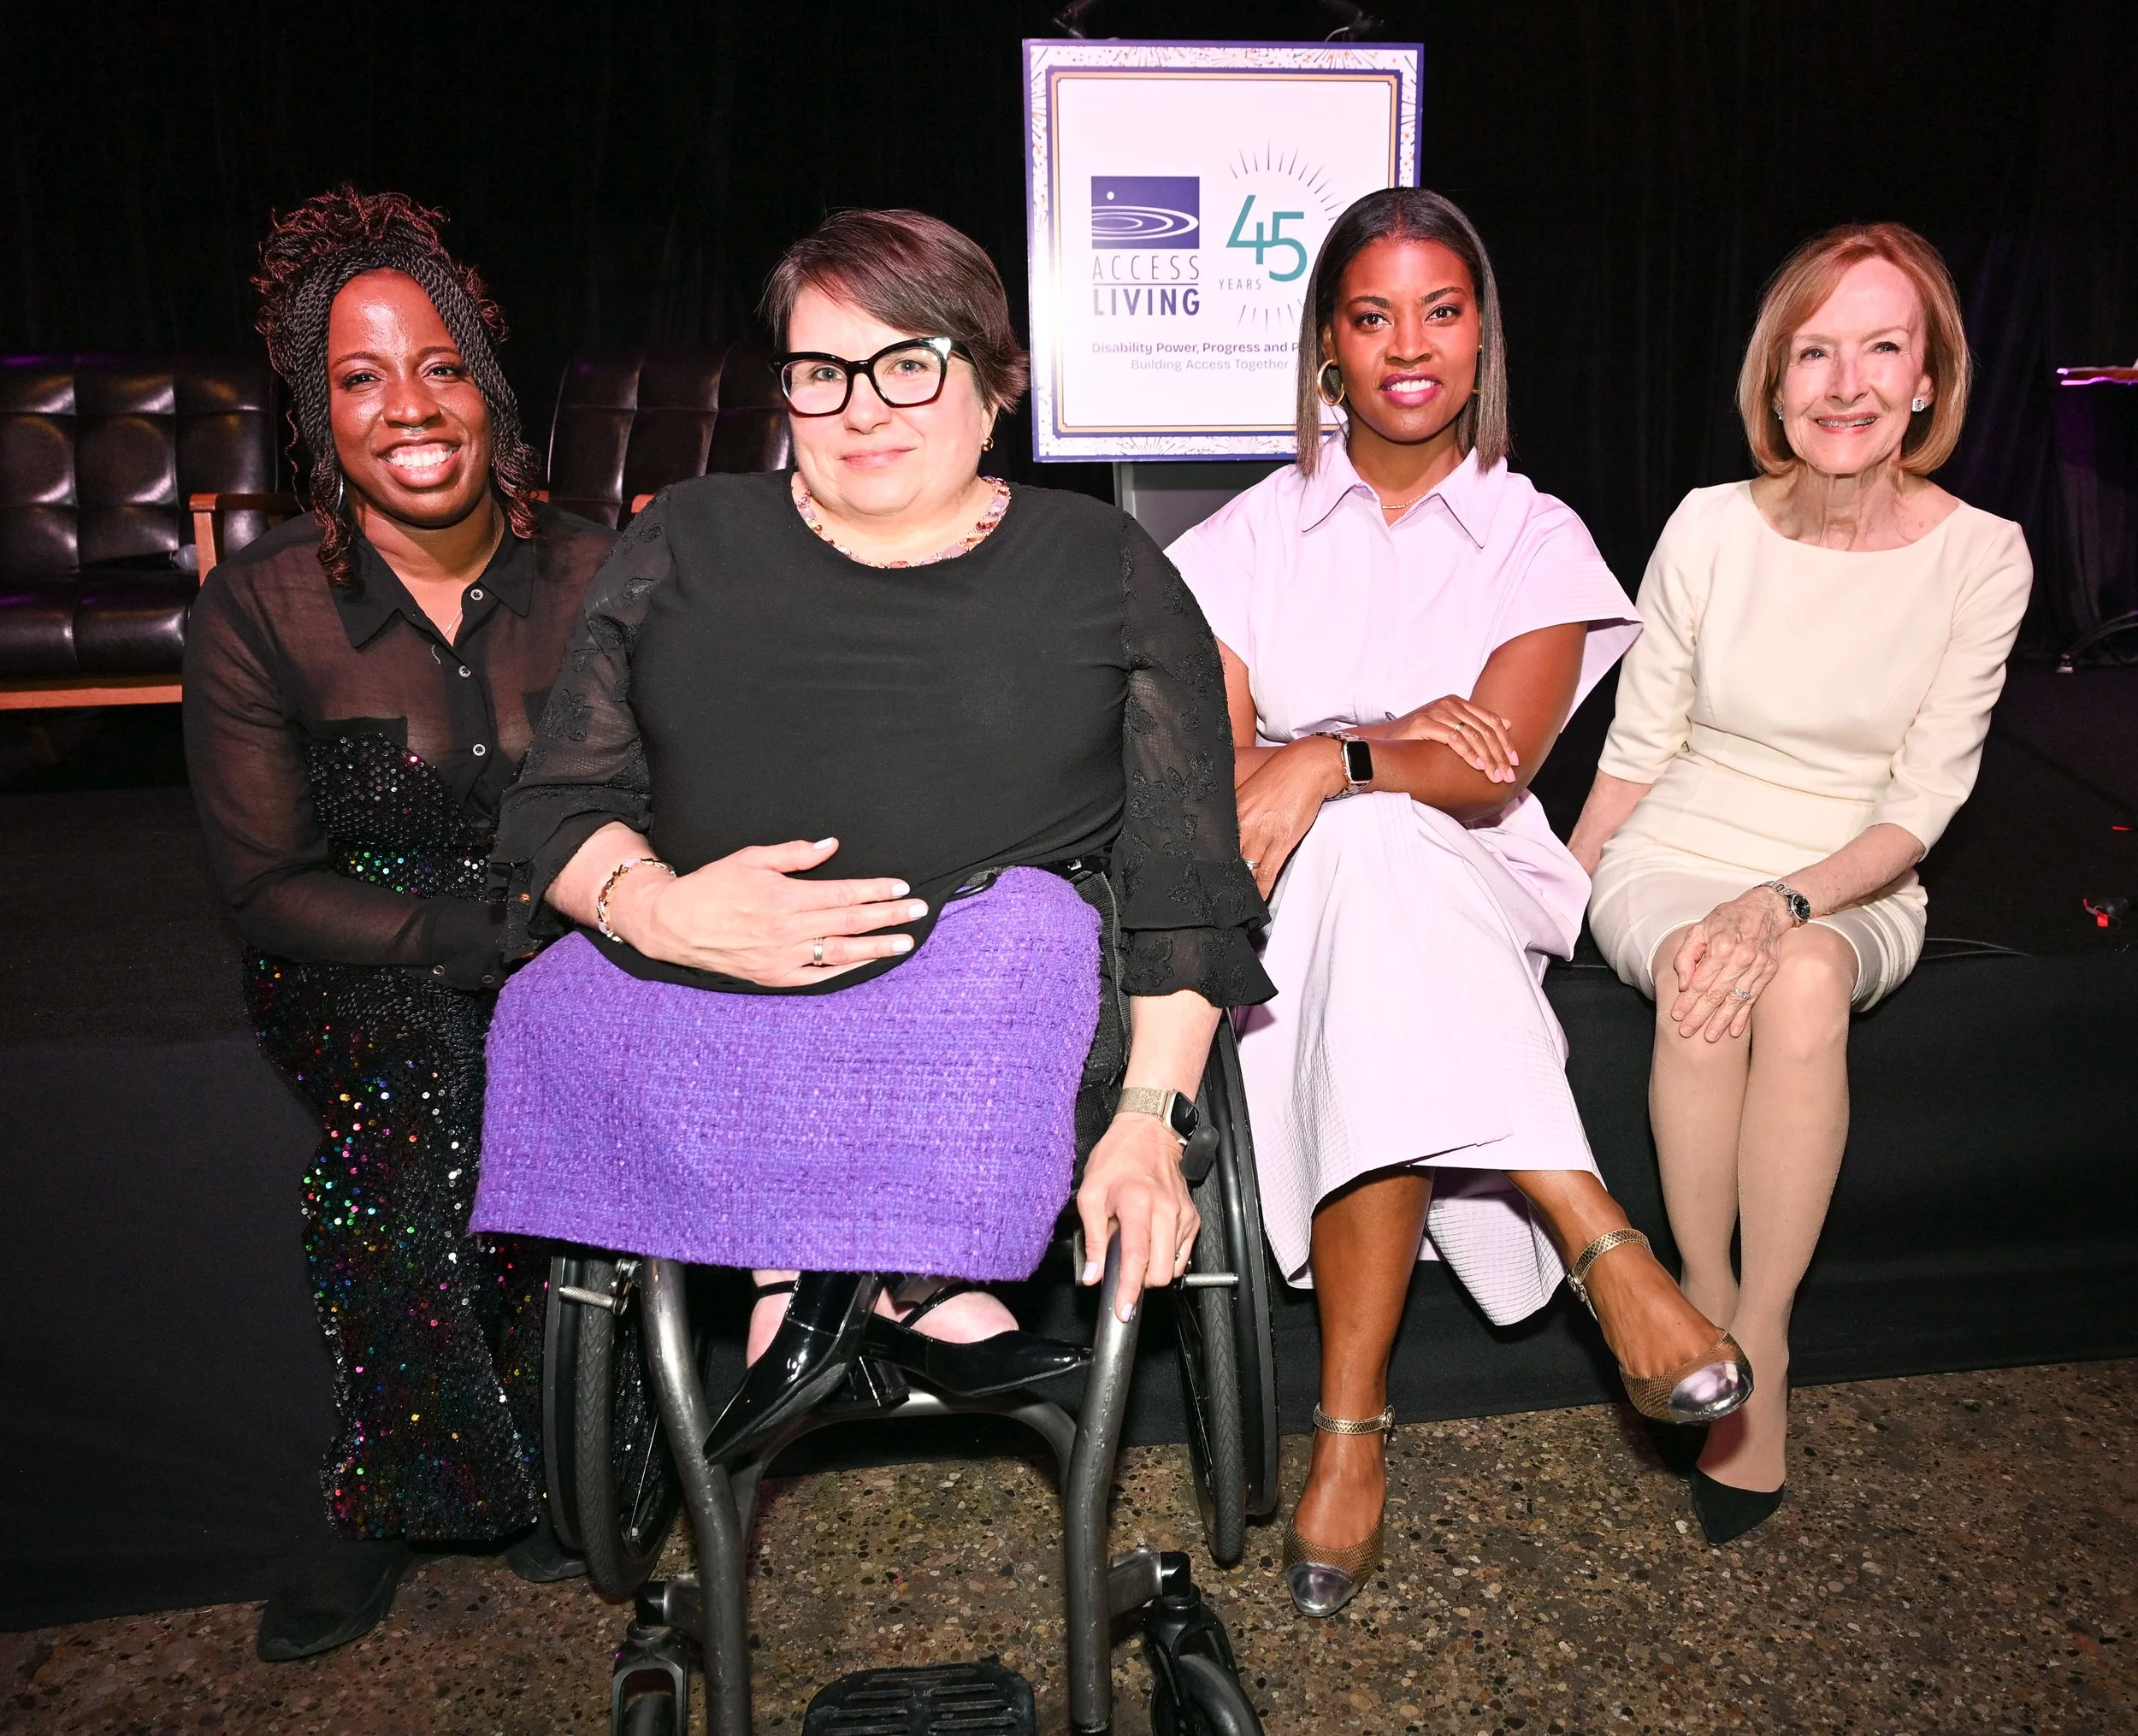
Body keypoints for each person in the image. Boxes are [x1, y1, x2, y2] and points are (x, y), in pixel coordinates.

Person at [471, 209, 1273, 1462]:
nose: (864, 406)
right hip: (703, 984)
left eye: (911, 362)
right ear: (783, 389)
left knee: (1033, 934)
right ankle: (875, 1288)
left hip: (980, 1013)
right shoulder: (681, 539)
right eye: (821, 372)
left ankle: (822, 1286)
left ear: (995, 383)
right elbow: (557, 807)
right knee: (557, 1004)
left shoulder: (1104, 565)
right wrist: (658, 906)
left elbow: (1180, 881)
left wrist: (1149, 1121)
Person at [1167, 187, 1753, 1620]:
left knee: (1384, 851)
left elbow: (1496, 763)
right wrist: (1359, 754)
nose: (1408, 346)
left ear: (1481, 333)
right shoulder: (1247, 535)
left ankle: (1349, 1421)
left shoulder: (1532, 535)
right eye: (1373, 317)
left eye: (1441, 311)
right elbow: (1223, 767)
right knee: (1364, 860)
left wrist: (1331, 752)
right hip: (1299, 899)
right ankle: (1597, 1233)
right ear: (1329, 346)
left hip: (1471, 883)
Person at [182, 188, 618, 1659]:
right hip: (360, 947)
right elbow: (267, 887)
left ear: (488, 383)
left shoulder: (598, 568)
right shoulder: (258, 610)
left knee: (588, 1077)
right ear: (320, 415)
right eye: (360, 377)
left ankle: (585, 1436)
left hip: (583, 935)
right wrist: (459, 939)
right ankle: (397, 1484)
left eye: (438, 364)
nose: (409, 406)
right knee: (430, 1106)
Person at [1568, 223, 2032, 1544]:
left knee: (1805, 969)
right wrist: (1555, 897)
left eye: (1882, 347)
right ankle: (1702, 1303)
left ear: (1929, 380)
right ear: (1774, 385)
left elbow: (1925, 804)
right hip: (1680, 844)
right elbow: (1636, 750)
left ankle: (1759, 1335)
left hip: (1855, 871)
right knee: (1711, 973)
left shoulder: (1983, 555)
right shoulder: (1709, 526)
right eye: (1814, 352)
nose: (1846, 383)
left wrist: (1786, 902)